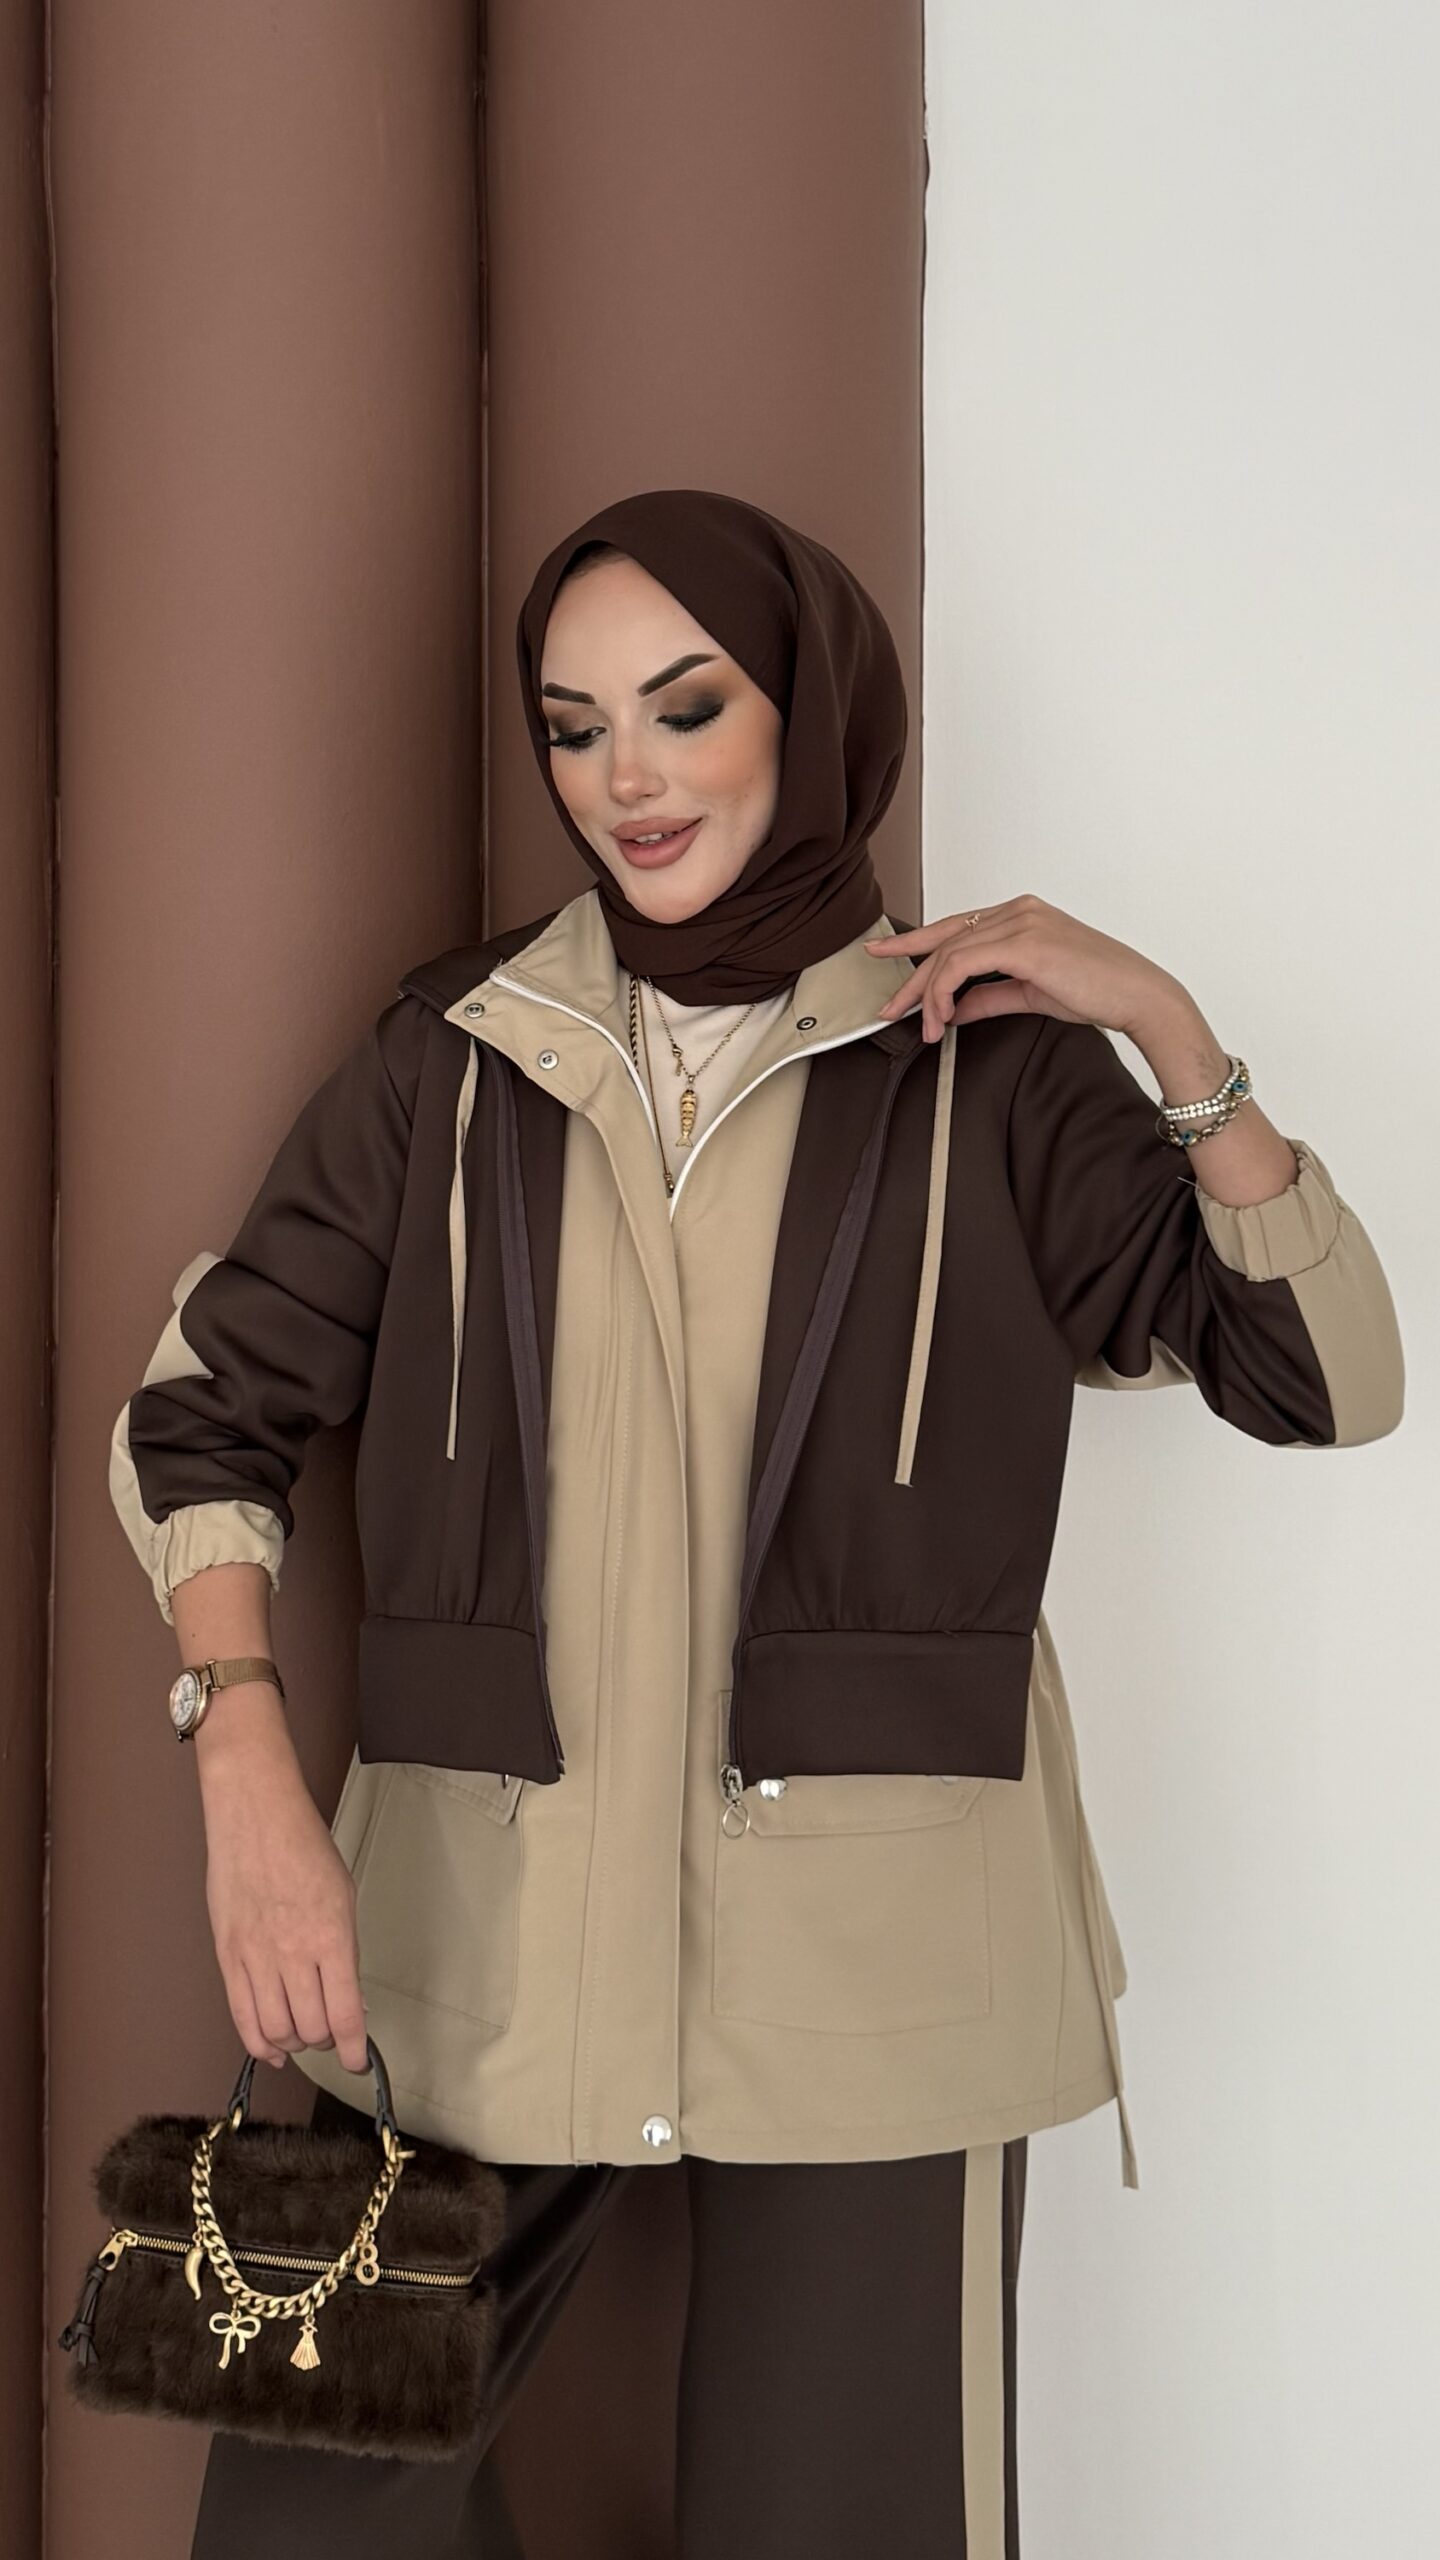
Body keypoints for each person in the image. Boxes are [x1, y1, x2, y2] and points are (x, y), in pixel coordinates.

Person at [109, 486, 1405, 2558]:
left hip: (879, 1986)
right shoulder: (452, 1055)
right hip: (454, 1958)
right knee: (294, 2522)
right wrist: (243, 1760)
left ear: (809, 708)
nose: (624, 775)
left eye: (685, 706)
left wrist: (1165, 1027)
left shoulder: (996, 1069)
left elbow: (1323, 1379)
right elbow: (206, 1407)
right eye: (574, 725)